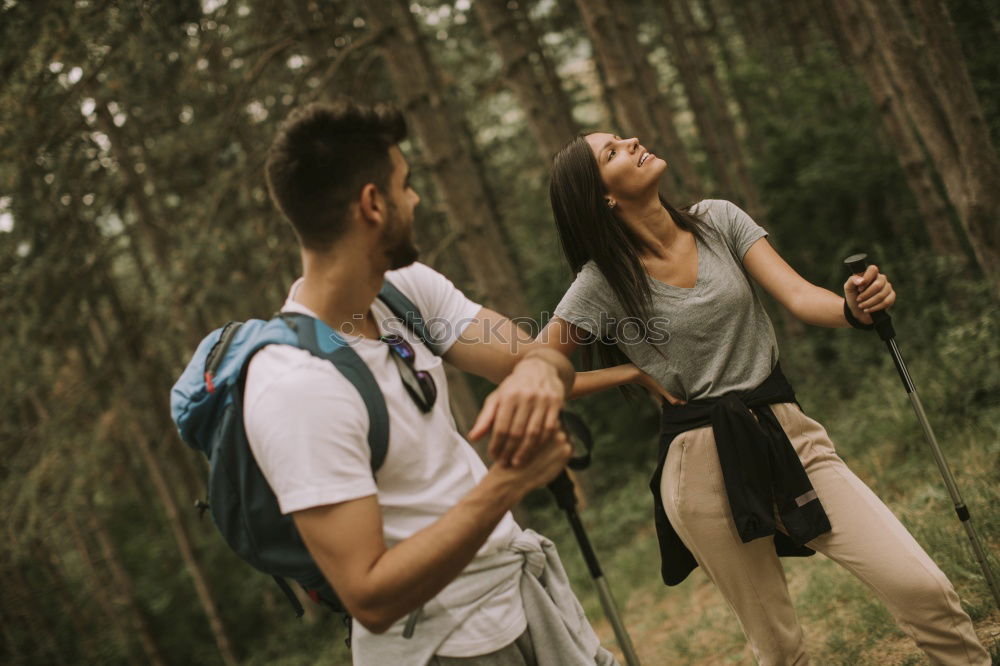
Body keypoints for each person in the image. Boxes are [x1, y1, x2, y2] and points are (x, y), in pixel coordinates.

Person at [530, 132, 990, 665]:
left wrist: (851, 311)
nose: (631, 141)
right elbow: (532, 367)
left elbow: (796, 294)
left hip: (788, 431)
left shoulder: (717, 220)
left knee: (923, 587)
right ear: (603, 197)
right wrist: (629, 373)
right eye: (611, 152)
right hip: (699, 465)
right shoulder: (601, 283)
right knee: (779, 648)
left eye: (620, 137)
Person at [246, 100, 618, 665]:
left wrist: (538, 374)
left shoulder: (404, 289)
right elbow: (369, 596)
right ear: (373, 204)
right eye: (405, 184)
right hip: (441, 648)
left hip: (519, 596)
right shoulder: (294, 386)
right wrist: (507, 484)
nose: (415, 199)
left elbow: (538, 358)